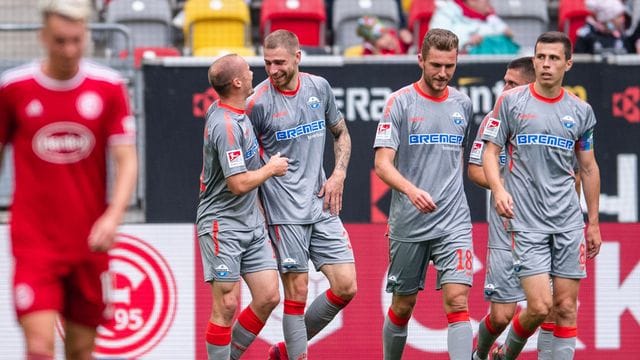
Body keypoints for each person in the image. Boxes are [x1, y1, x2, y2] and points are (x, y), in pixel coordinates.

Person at [0, 0, 138, 358]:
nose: (69, 50)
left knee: (80, 350)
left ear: (86, 37)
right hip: (34, 242)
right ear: (43, 37)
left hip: (88, 242)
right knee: (40, 347)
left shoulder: (107, 87)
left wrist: (113, 216)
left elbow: (126, 160)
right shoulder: (14, 89)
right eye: (60, 41)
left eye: (76, 40)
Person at [482, 31, 602, 360]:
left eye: (553, 58)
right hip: (527, 223)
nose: (546, 64)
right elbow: (490, 153)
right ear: (534, 60)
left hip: (566, 222)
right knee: (538, 306)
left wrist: (592, 222)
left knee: (565, 308)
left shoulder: (581, 112)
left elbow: (588, 168)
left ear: (568, 63)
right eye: (540, 57)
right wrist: (499, 188)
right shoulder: (511, 102)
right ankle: (505, 354)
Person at [246, 29, 357, 360]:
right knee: (297, 292)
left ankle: (285, 350)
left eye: (279, 62)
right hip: (283, 213)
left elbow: (341, 133)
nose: (272, 69)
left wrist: (338, 174)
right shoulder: (257, 103)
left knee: (346, 286)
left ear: (298, 57)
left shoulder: (318, 88)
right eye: (266, 63)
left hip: (321, 203)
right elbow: (243, 164)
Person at [373, 28, 474, 360]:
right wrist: (411, 190)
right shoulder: (399, 103)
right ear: (420, 60)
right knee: (403, 305)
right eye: (435, 65)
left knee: (458, 301)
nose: (442, 73)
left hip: (454, 222)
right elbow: (382, 164)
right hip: (410, 222)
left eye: (449, 66)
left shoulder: (463, 104)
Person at [196, 53, 290, 360]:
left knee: (268, 296)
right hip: (222, 224)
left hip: (250, 222)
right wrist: (271, 169)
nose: (254, 73)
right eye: (248, 71)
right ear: (237, 82)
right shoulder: (226, 126)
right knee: (225, 305)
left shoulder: (232, 109)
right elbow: (237, 184)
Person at [467, 57, 555, 360]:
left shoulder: (552, 119)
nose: (503, 89)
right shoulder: (494, 120)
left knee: (547, 309)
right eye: (504, 81)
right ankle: (479, 354)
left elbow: (575, 172)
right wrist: (503, 186)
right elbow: (475, 170)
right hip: (506, 233)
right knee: (501, 316)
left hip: (545, 232)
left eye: (511, 84)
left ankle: (505, 355)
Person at [429, 0, 518, 54]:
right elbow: (437, 41)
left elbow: (508, 32)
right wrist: (467, 41)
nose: (489, 4)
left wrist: (505, 32)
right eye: (486, 1)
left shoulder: (490, 16)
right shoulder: (446, 12)